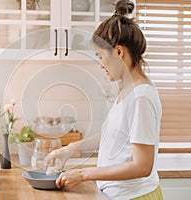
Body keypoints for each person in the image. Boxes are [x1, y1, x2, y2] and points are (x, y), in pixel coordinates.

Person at [43, 0, 164, 199]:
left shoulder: (141, 97)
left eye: (100, 56)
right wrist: (71, 148)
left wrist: (83, 174)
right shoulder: (127, 91)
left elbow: (142, 166)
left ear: (118, 52)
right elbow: (113, 137)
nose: (100, 64)